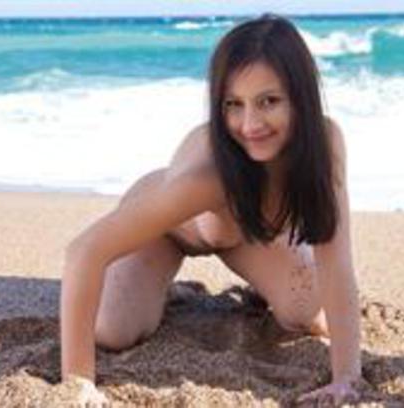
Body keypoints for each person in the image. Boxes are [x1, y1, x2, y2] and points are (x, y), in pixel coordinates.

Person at [61, 14, 362, 407]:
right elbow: (84, 251)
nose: (250, 124)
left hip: (244, 236)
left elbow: (335, 261)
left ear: (301, 96)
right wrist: (78, 382)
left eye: (268, 101)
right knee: (113, 332)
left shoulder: (326, 144)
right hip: (167, 228)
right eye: (233, 104)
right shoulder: (210, 175)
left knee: (304, 312)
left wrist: (346, 377)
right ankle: (160, 288)